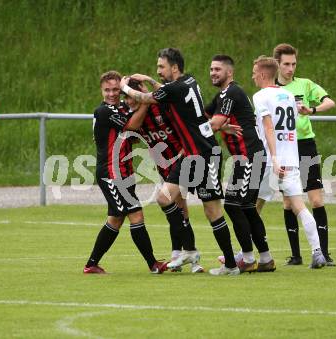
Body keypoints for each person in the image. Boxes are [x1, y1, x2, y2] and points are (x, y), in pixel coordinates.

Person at [120, 48, 240, 276]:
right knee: (165, 198)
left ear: (174, 67)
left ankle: (231, 264)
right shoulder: (188, 82)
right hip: (192, 155)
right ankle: (190, 251)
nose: (159, 71)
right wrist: (150, 80)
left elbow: (145, 98)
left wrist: (125, 85)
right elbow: (163, 92)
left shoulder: (174, 88)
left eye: (161, 67)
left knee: (212, 210)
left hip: (206, 154)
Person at [258, 43, 336, 266]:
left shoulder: (305, 84)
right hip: (284, 150)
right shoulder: (272, 92)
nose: (290, 69)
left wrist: (311, 110)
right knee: (289, 203)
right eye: (286, 64)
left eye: (293, 64)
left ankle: (324, 253)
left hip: (306, 146)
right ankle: (296, 255)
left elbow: (330, 102)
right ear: (277, 65)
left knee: (316, 199)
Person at [83, 70, 168, 274]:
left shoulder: (120, 108)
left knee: (115, 219)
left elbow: (133, 134)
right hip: (111, 173)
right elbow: (132, 126)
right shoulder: (103, 111)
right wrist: (146, 102)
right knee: (136, 214)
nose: (112, 94)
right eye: (107, 90)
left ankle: (91, 264)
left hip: (123, 171)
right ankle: (153, 264)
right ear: (101, 91)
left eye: (115, 89)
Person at [123, 79, 204, 273]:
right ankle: (180, 254)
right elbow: (131, 133)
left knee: (176, 205)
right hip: (163, 166)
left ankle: (191, 256)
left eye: (131, 96)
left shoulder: (162, 107)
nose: (128, 101)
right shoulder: (134, 116)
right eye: (125, 97)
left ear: (140, 92)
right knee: (176, 209)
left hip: (180, 159)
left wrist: (146, 94)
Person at [206, 55, 275, 273]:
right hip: (245, 160)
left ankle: (246, 258)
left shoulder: (231, 92)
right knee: (246, 208)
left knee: (234, 206)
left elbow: (213, 123)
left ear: (229, 72)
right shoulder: (222, 96)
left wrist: (217, 126)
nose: (213, 73)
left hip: (249, 158)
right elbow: (202, 116)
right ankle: (265, 259)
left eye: (218, 69)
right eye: (211, 69)